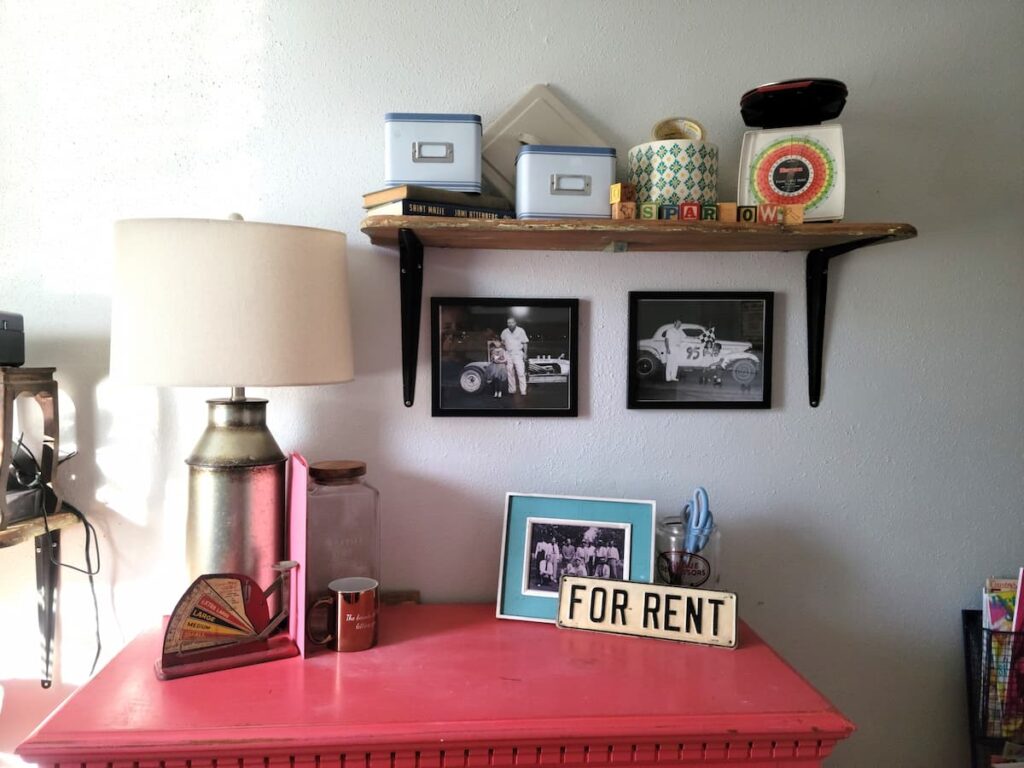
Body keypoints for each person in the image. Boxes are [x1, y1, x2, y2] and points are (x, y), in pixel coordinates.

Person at [500, 317, 529, 395]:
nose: (510, 324)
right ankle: (512, 390)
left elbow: (525, 343)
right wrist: (503, 353)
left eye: (512, 322)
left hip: (518, 354)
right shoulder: (504, 332)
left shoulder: (521, 330)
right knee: (510, 373)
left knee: (521, 372)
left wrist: (525, 354)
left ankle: (523, 390)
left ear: (515, 323)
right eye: (508, 323)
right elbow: (502, 343)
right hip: (508, 354)